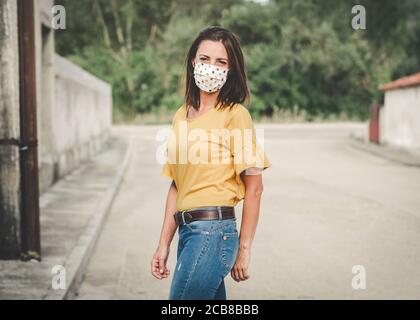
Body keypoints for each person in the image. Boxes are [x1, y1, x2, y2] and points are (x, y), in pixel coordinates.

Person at [151, 26, 271, 300]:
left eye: (221, 62)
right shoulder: (181, 115)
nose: (210, 67)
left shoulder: (235, 115)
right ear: (193, 61)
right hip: (188, 233)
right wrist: (163, 244)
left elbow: (255, 188)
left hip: (213, 233)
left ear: (231, 70)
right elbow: (176, 186)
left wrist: (244, 249)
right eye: (204, 59)